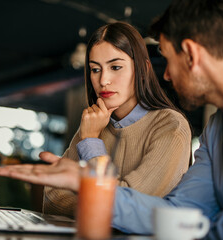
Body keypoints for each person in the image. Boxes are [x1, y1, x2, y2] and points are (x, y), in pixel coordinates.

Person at [0, 0, 223, 238]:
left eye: (169, 59)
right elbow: (181, 212)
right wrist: (90, 186)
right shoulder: (218, 128)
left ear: (191, 54)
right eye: (96, 69)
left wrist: (193, 229)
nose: (167, 75)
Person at [27, 22, 192, 218]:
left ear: (143, 69)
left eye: (115, 67)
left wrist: (91, 143)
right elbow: (53, 198)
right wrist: (99, 207)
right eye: (95, 69)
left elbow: (129, 209)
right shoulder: (93, 124)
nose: (103, 80)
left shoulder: (170, 126)